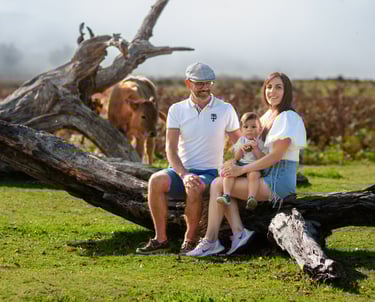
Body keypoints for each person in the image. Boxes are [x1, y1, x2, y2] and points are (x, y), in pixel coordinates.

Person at [187, 72, 307, 257]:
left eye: (278, 87)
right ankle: (237, 234)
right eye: (268, 86)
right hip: (265, 175)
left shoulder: (287, 117)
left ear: (287, 91)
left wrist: (241, 169)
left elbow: (275, 156)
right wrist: (234, 163)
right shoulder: (267, 116)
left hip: (279, 181)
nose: (272, 91)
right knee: (223, 180)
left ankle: (212, 241)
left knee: (218, 184)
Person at [136, 62, 241, 255]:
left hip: (210, 173)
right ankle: (161, 239)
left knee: (194, 186)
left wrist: (242, 164)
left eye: (208, 83)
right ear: (188, 83)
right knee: (155, 180)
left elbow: (239, 143)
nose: (205, 87)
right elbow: (171, 148)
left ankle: (190, 240)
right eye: (199, 83)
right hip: (181, 171)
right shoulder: (177, 110)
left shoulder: (225, 109)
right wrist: (183, 174)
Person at [216, 112, 267, 211]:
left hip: (254, 166)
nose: (249, 130)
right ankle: (226, 195)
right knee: (229, 173)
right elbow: (236, 158)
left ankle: (251, 197)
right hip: (241, 164)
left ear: (260, 129)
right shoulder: (241, 141)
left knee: (254, 175)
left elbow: (262, 159)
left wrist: (256, 149)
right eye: (246, 127)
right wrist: (240, 150)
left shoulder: (260, 142)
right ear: (241, 130)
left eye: (253, 127)